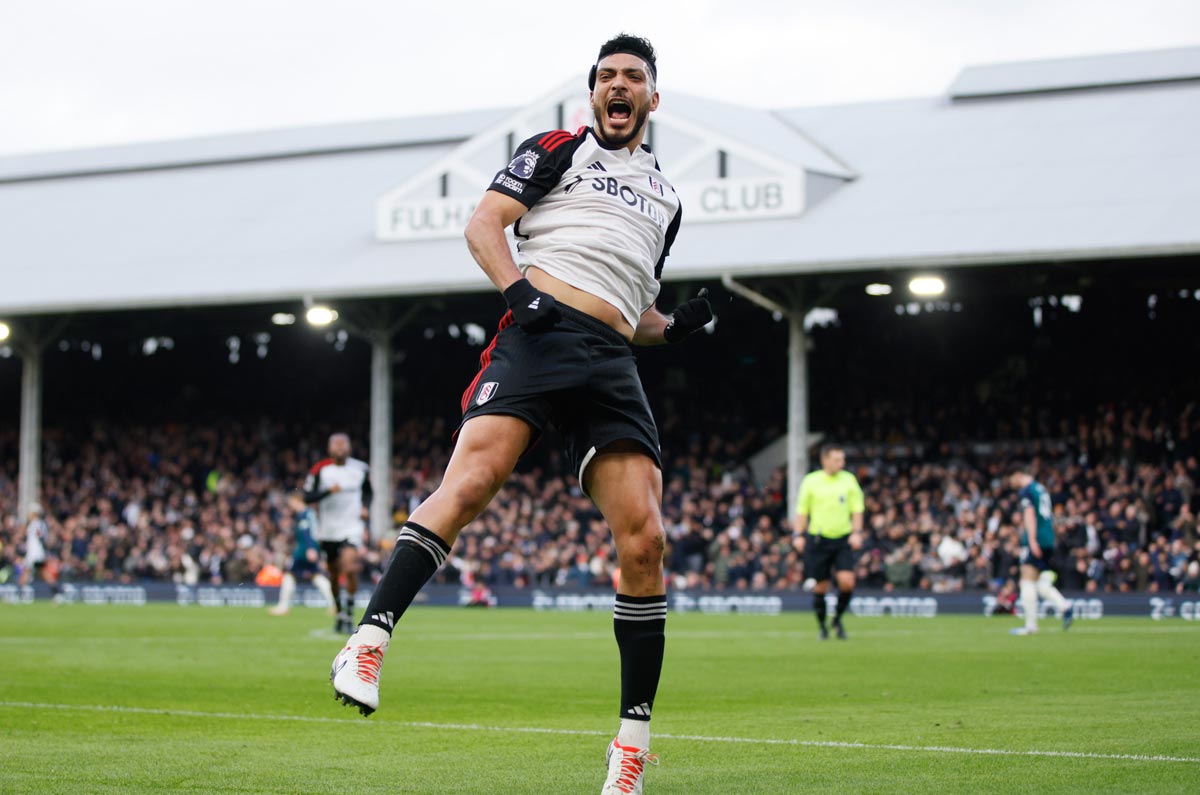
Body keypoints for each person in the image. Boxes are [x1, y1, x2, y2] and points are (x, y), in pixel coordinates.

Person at [329, 33, 710, 794]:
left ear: (653, 99)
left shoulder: (668, 199)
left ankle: (630, 748)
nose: (619, 85)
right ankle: (368, 639)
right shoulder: (558, 150)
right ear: (593, 93)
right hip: (538, 336)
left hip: (611, 358)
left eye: (633, 76)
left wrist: (675, 327)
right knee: (472, 482)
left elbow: (635, 308)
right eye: (607, 76)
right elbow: (483, 224)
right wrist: (519, 294)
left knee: (647, 541)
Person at [794, 445, 864, 640]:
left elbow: (857, 509)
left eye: (842, 459)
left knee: (847, 582)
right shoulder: (811, 481)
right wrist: (797, 535)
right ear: (825, 460)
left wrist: (857, 532)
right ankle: (823, 628)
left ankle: (837, 618)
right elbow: (802, 511)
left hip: (842, 539)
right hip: (818, 540)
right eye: (837, 459)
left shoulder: (849, 480)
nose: (841, 463)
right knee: (821, 587)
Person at [305, 433, 372, 633]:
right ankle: (339, 611)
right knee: (334, 574)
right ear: (330, 448)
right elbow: (307, 496)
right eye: (336, 445)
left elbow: (369, 491)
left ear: (350, 447)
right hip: (328, 530)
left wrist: (365, 506)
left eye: (344, 444)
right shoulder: (320, 470)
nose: (340, 448)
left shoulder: (360, 469)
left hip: (352, 527)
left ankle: (348, 614)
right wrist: (327, 491)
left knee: (350, 568)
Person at [1008, 464, 1073, 635]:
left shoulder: (1027, 491)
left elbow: (1029, 515)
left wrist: (1032, 541)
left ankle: (1031, 626)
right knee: (1038, 582)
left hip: (1037, 538)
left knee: (1026, 580)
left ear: (1018, 474)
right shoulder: (1041, 488)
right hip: (1048, 538)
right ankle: (1064, 606)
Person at [269, 490, 336, 616]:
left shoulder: (304, 514)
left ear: (296, 501)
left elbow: (307, 533)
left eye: (291, 503)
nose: (291, 506)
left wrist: (310, 548)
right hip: (308, 548)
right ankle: (334, 604)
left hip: (304, 550)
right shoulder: (309, 514)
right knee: (316, 576)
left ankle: (283, 606)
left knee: (290, 574)